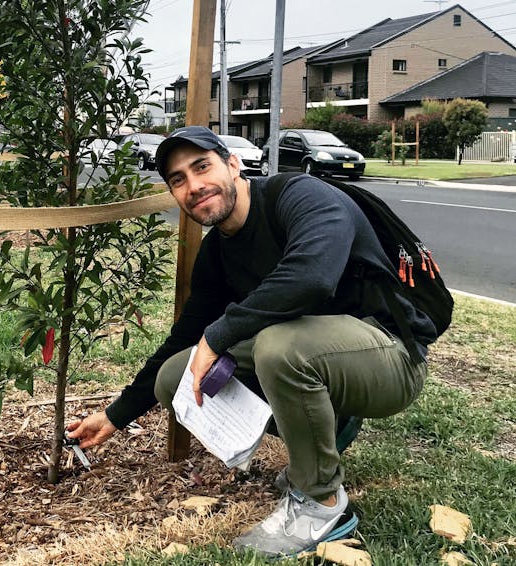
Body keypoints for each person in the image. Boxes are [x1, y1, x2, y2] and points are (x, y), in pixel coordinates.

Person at [67, 126, 435, 558]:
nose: (194, 186)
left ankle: (322, 503)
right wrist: (114, 416)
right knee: (177, 377)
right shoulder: (217, 253)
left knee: (278, 347)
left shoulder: (300, 196)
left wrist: (217, 336)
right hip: (313, 357)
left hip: (390, 353)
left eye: (202, 166)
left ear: (234, 164)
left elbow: (311, 277)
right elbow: (183, 341)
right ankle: (328, 427)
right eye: (178, 180)